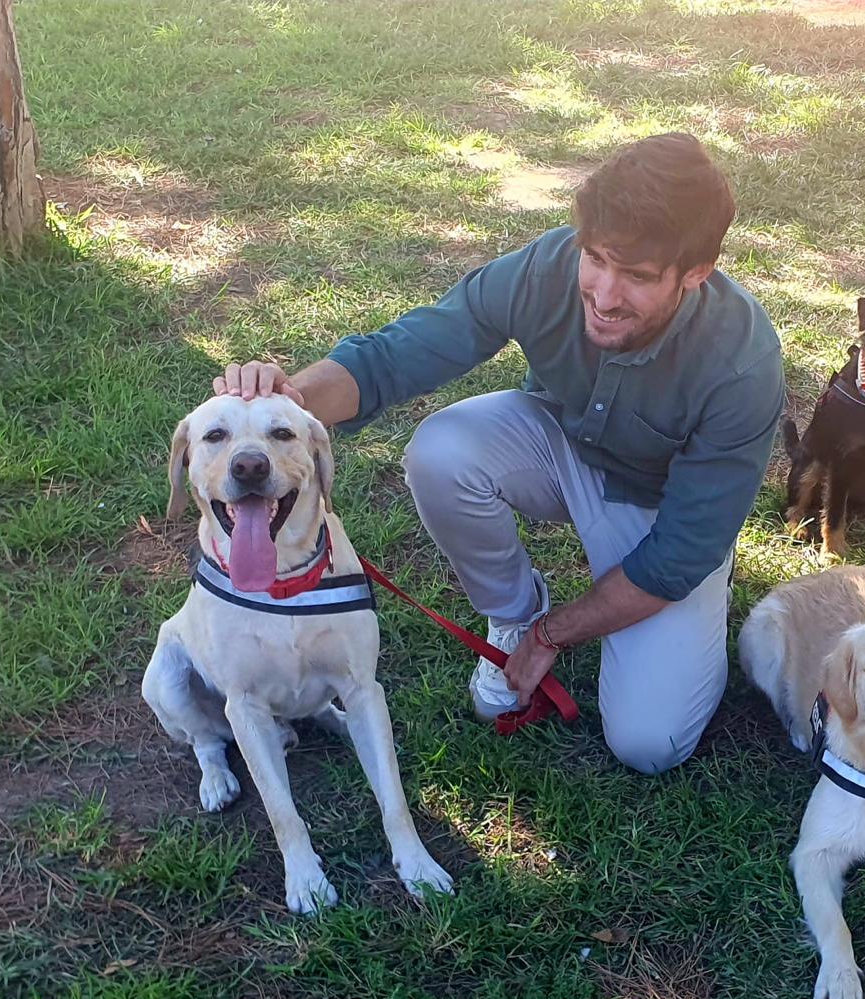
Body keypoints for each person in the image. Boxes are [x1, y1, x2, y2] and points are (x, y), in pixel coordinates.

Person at [213, 132, 785, 774]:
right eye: (595, 258)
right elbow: (398, 355)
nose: (603, 292)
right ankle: (513, 613)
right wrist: (282, 407)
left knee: (651, 743)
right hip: (563, 443)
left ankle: (573, 622)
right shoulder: (546, 267)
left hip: (660, 510)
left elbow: (677, 557)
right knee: (441, 450)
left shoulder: (743, 364)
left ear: (696, 274)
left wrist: (556, 636)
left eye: (639, 276)